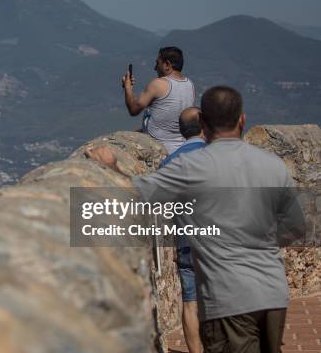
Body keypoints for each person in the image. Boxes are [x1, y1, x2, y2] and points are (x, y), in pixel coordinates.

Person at [86, 86, 305, 353]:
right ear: (242, 119)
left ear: (202, 123)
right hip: (273, 294)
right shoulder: (273, 165)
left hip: (228, 297)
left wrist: (110, 166)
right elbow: (296, 228)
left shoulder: (190, 166)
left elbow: (138, 195)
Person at [160, 106, 206, 353]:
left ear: (181, 130)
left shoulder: (171, 162)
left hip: (187, 241)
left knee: (190, 302)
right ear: (204, 125)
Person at [122, 46, 195, 154]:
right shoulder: (190, 85)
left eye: (158, 63)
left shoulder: (158, 84)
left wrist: (128, 88)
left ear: (167, 65)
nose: (155, 68)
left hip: (160, 149)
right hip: (181, 148)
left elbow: (133, 109)